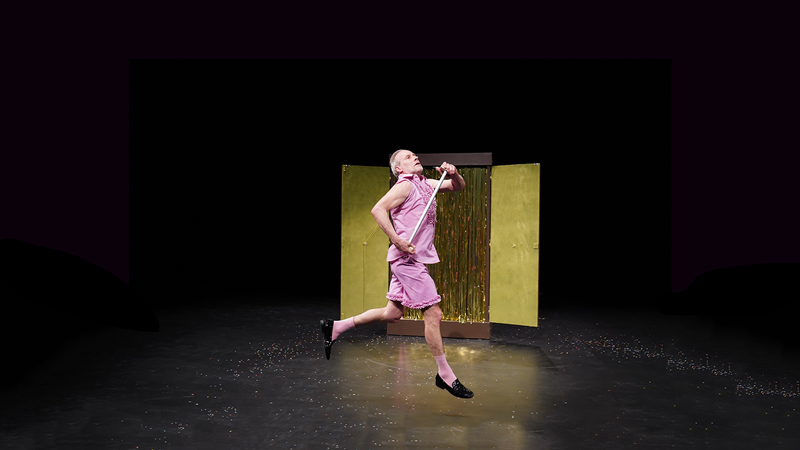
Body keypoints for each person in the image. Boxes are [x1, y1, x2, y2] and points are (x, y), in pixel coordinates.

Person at [320, 149, 474, 399]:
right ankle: (445, 375)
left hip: (411, 258)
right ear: (399, 168)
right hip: (407, 259)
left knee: (392, 313)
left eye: (416, 155)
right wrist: (396, 240)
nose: (415, 157)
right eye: (408, 156)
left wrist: (455, 174)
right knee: (433, 313)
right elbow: (378, 210)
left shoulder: (425, 183)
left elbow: (457, 187)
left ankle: (336, 326)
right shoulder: (404, 186)